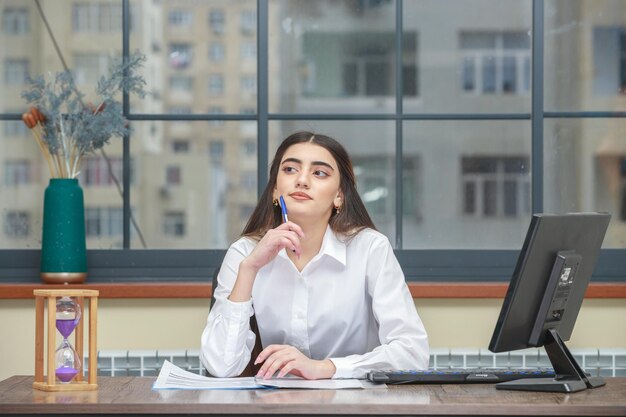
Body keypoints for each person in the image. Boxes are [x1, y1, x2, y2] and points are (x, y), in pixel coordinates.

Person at [200, 131, 429, 380]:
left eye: (319, 172)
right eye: (290, 170)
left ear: (339, 196)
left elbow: (413, 353)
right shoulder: (244, 253)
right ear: (276, 191)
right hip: (275, 405)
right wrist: (250, 268)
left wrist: (324, 368)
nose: (302, 180)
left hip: (355, 405)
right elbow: (221, 367)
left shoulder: (370, 248)